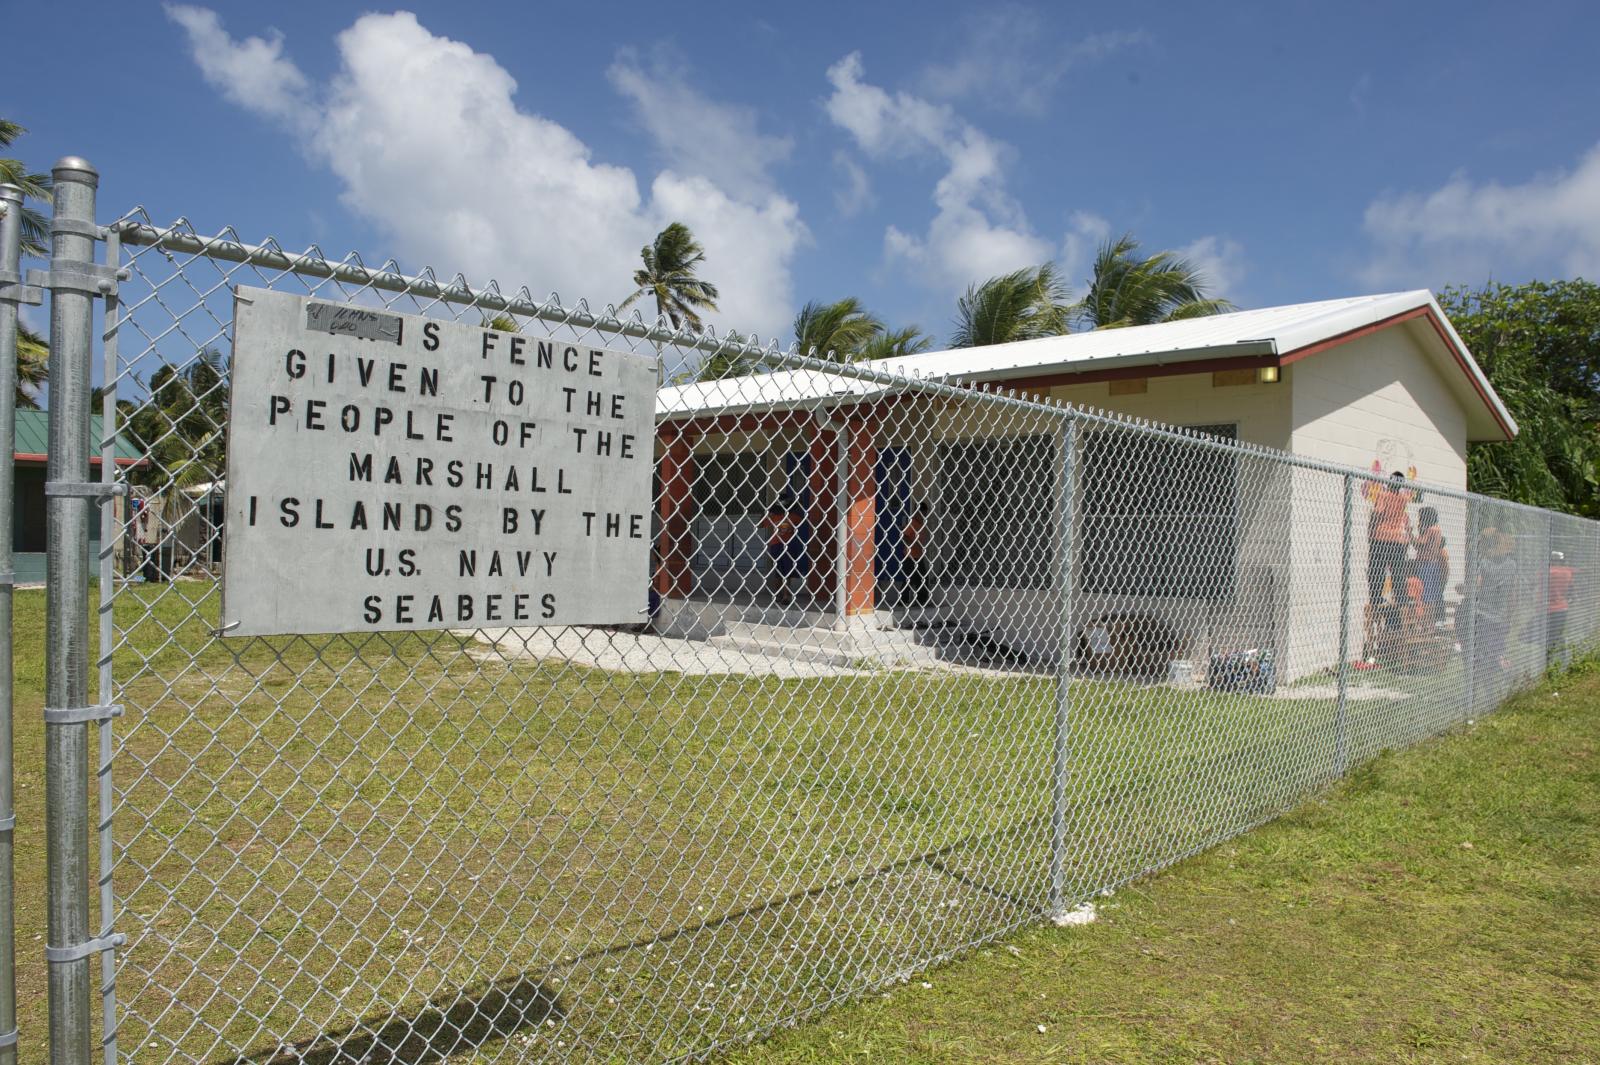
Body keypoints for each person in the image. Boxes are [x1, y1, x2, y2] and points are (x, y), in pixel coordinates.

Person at [1363, 471, 1414, 661]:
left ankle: (1376, 598)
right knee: (1398, 573)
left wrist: (1370, 530)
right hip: (1398, 540)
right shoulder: (1403, 498)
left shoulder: (1383, 496)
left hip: (1381, 537)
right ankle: (1401, 598)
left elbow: (1377, 514)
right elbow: (1403, 518)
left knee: (1376, 572)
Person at [759, 497, 801, 607]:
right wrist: (766, 513)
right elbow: (760, 525)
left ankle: (786, 596)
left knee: (787, 571)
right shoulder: (774, 517)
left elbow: (803, 520)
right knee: (778, 571)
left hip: (789, 545)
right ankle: (779, 594)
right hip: (776, 545)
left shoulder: (794, 516)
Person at [1413, 506, 1449, 624]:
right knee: (1432, 595)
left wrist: (1409, 533)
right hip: (1433, 564)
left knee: (1425, 596)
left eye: (1420, 517)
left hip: (1425, 564)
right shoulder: (1437, 529)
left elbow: (1420, 544)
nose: (1419, 519)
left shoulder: (1430, 530)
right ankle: (1431, 623)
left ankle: (1427, 623)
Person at [900, 503, 927, 608]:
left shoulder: (921, 524)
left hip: (918, 555)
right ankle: (903, 599)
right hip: (910, 555)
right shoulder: (913, 523)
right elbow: (905, 536)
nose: (923, 515)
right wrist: (913, 544)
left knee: (921, 577)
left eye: (925, 513)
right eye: (922, 513)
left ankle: (921, 600)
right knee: (910, 578)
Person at [1547, 550, 1575, 656]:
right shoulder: (1567, 573)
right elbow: (1571, 591)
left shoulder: (1544, 572)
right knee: (1558, 633)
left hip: (1546, 608)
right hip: (1562, 607)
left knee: (1548, 635)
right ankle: (1561, 656)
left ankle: (1549, 657)